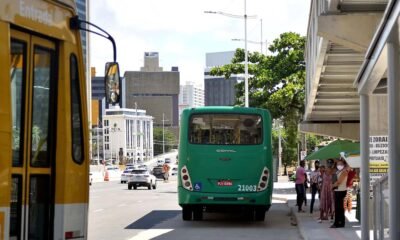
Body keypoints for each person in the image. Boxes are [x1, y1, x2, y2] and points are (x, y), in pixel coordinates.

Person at [330, 158, 349, 228]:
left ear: (344, 165)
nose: (339, 165)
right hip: (337, 191)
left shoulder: (344, 172)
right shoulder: (338, 171)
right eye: (338, 164)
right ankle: (340, 223)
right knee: (339, 208)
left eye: (340, 164)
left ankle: (338, 223)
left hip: (341, 191)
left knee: (339, 208)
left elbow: (339, 182)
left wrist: (332, 186)